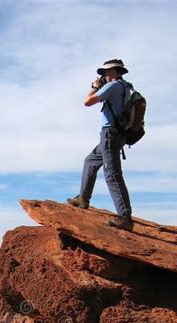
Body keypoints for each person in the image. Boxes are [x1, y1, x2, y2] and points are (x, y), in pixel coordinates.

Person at [67, 59, 133, 230]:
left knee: (112, 174)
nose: (104, 75)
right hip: (118, 134)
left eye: (107, 72)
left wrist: (96, 87)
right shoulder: (126, 87)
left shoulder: (113, 86)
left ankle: (125, 218)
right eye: (103, 73)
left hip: (110, 133)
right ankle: (83, 199)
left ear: (117, 71)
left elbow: (87, 102)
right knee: (91, 160)